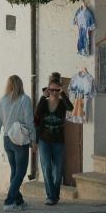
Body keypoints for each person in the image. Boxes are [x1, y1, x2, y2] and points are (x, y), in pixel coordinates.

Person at [0, 75, 36, 211]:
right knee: (20, 172)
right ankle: (9, 202)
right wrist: (33, 139)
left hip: (7, 139)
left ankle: (19, 201)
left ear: (9, 85)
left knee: (15, 171)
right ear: (20, 84)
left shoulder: (2, 100)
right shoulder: (25, 99)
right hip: (19, 140)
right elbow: (29, 120)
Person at [35, 72, 73, 205]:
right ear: (48, 90)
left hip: (58, 141)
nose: (54, 92)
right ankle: (50, 196)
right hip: (44, 140)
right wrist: (42, 97)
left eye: (57, 90)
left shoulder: (62, 103)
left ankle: (55, 195)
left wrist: (63, 94)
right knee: (47, 169)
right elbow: (37, 113)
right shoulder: (44, 103)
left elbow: (71, 108)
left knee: (58, 171)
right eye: (51, 90)